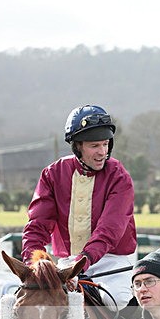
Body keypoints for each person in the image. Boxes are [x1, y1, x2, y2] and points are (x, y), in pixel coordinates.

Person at [22, 104, 137, 308]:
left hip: (112, 261)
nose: (102, 152)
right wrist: (33, 265)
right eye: (94, 146)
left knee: (119, 301)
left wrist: (84, 260)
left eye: (105, 144)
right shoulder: (52, 174)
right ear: (77, 146)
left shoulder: (119, 176)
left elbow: (109, 229)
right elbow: (37, 225)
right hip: (68, 262)